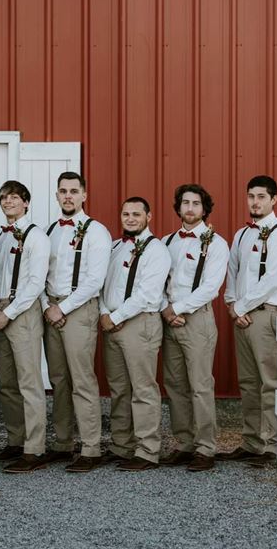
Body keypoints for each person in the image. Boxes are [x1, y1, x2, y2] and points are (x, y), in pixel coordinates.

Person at [218, 175, 277, 468]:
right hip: (241, 315)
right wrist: (231, 304)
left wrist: (241, 306)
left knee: (270, 382)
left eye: (261, 197)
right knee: (249, 382)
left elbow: (273, 278)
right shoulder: (242, 234)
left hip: (266, 314)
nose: (255, 202)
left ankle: (272, 445)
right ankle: (252, 442)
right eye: (251, 196)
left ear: (274, 199)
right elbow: (233, 271)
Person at [41, 173, 112, 472]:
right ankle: (62, 443)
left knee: (82, 379)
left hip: (79, 308)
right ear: (57, 195)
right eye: (63, 191)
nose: (68, 196)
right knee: (58, 379)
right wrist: (47, 306)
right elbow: (40, 274)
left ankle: (91, 448)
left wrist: (63, 308)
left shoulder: (97, 231)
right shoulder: (49, 231)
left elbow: (95, 280)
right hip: (51, 308)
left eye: (73, 191)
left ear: (84, 195)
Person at [158, 184, 229, 472]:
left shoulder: (216, 243)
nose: (190, 208)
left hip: (197, 319)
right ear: (178, 207)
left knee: (200, 385)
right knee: (175, 384)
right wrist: (165, 308)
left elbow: (211, 287)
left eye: (195, 203)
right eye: (185, 203)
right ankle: (184, 443)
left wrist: (177, 309)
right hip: (168, 318)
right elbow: (156, 280)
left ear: (204, 208)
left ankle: (205, 447)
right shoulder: (166, 241)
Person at [99, 197, 172, 472]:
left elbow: (148, 294)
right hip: (111, 323)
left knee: (143, 388)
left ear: (148, 217)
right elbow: (102, 285)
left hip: (140, 324)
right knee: (119, 388)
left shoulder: (157, 250)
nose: (130, 218)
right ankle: (121, 445)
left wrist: (116, 317)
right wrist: (105, 313)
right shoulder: (115, 247)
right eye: (126, 214)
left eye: (136, 214)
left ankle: (147, 450)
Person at [0, 180, 51, 474]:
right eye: (3, 198)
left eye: (14, 197)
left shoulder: (36, 236)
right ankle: (15, 440)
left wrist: (8, 313)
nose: (8, 202)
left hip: (22, 311)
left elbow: (36, 283)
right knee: (8, 383)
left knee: (29, 382)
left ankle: (34, 449)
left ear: (26, 202)